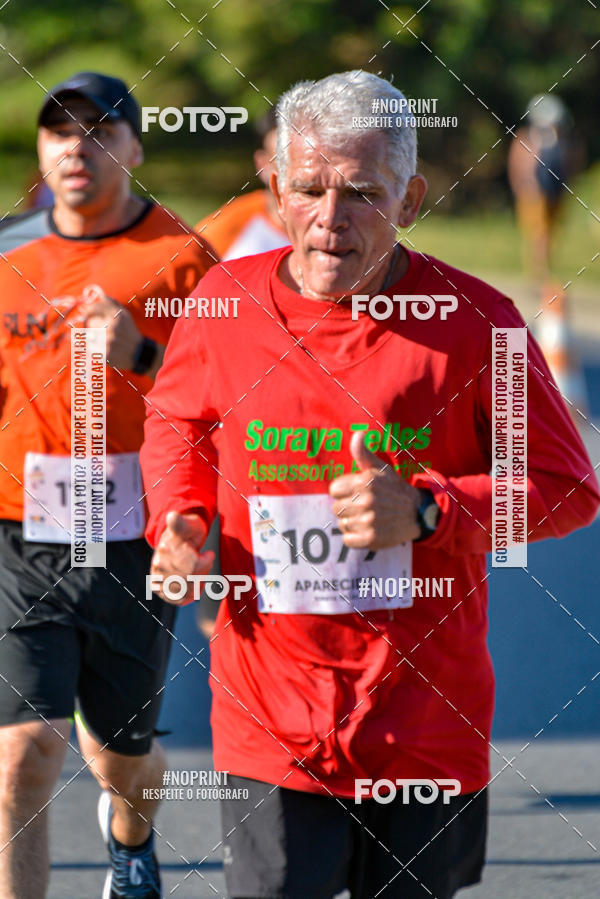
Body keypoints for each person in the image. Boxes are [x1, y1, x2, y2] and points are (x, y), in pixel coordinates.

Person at [140, 71, 599, 899]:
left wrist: (428, 508)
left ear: (410, 200)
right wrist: (181, 518)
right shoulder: (222, 304)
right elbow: (178, 421)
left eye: (361, 193)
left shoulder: (480, 323)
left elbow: (568, 487)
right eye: (308, 189)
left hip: (425, 724)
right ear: (275, 189)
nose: (329, 218)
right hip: (271, 718)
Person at [0, 71, 216, 899]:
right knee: (24, 751)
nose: (77, 148)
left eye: (100, 131)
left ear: (135, 148)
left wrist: (142, 356)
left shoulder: (185, 259)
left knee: (121, 758)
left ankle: (132, 839)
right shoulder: (10, 253)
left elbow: (230, 399)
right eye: (60, 131)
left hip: (131, 534)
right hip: (21, 533)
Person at [196, 108, 289, 260]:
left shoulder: (331, 227)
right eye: (284, 159)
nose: (299, 171)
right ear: (262, 164)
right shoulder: (219, 234)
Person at [508, 93, 578, 281]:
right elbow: (517, 163)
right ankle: (537, 272)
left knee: (551, 232)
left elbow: (570, 165)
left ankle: (545, 269)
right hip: (533, 192)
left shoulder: (561, 139)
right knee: (538, 232)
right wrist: (524, 186)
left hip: (556, 191)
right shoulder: (526, 137)